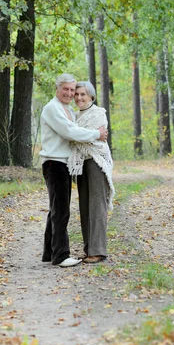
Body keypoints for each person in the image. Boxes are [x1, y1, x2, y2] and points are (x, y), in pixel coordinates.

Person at [40, 74, 108, 267]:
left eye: (74, 90)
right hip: (55, 162)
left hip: (64, 163)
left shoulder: (68, 109)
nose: (71, 94)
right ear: (57, 88)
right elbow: (70, 132)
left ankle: (49, 252)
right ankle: (60, 255)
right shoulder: (52, 108)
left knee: (56, 208)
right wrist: (97, 134)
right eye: (67, 90)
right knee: (60, 210)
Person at [68, 81, 115, 264]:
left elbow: (80, 139)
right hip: (81, 165)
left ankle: (98, 250)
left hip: (96, 162)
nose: (79, 97)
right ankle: (89, 249)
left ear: (91, 97)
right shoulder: (73, 116)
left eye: (83, 94)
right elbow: (74, 136)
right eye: (77, 94)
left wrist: (77, 135)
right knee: (85, 207)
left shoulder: (98, 113)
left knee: (97, 206)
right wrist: (80, 135)